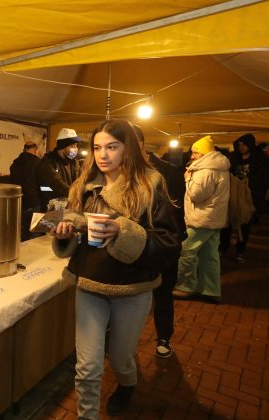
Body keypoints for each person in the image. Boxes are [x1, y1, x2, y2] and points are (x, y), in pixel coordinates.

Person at [50, 119, 181, 417]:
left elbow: (169, 243)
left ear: (129, 149)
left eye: (112, 147)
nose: (102, 154)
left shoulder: (151, 185)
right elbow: (75, 231)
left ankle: (127, 383)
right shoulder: (83, 187)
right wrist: (65, 235)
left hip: (131, 289)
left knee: (121, 358)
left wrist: (123, 232)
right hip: (90, 284)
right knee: (87, 366)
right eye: (97, 147)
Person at [133, 125, 186, 359]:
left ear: (140, 144)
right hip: (136, 245)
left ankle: (164, 337)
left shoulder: (169, 173)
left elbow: (176, 214)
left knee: (163, 292)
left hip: (163, 243)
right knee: (134, 293)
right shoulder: (123, 174)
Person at [173, 136, 230, 303]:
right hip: (213, 218)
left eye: (195, 152)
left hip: (201, 219)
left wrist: (187, 178)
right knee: (209, 255)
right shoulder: (220, 167)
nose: (192, 156)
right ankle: (211, 290)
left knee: (186, 251)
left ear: (204, 153)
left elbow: (197, 195)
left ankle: (184, 287)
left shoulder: (206, 170)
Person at [220, 134, 269, 263]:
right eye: (239, 145)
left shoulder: (260, 160)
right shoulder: (234, 159)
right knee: (227, 223)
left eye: (244, 144)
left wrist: (258, 194)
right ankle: (223, 248)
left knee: (244, 224)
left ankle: (240, 251)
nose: (241, 147)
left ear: (250, 144)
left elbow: (265, 178)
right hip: (233, 195)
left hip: (250, 196)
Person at [37, 128, 83, 210]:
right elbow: (57, 184)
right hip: (50, 210)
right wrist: (74, 195)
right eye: (72, 146)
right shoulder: (48, 161)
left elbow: (79, 182)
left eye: (76, 145)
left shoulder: (74, 163)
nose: (75, 148)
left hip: (69, 208)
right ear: (63, 146)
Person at [10, 141, 42, 241]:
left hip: (20, 203)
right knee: (35, 231)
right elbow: (43, 185)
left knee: (22, 232)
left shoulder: (14, 165)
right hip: (35, 202)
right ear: (35, 150)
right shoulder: (38, 163)